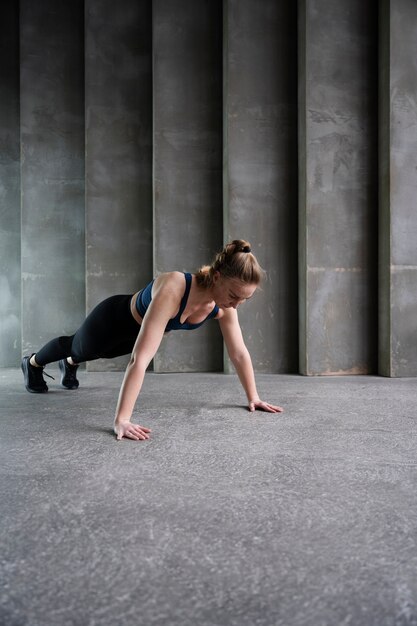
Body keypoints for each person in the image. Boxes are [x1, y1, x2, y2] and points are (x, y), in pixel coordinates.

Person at [21, 239, 284, 440]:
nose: (237, 305)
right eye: (234, 295)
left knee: (92, 355)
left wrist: (254, 396)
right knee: (78, 346)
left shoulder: (224, 308)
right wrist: (122, 420)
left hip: (133, 335)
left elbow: (238, 353)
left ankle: (70, 364)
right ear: (217, 277)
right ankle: (32, 363)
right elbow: (140, 358)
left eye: (244, 300)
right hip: (112, 320)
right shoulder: (174, 287)